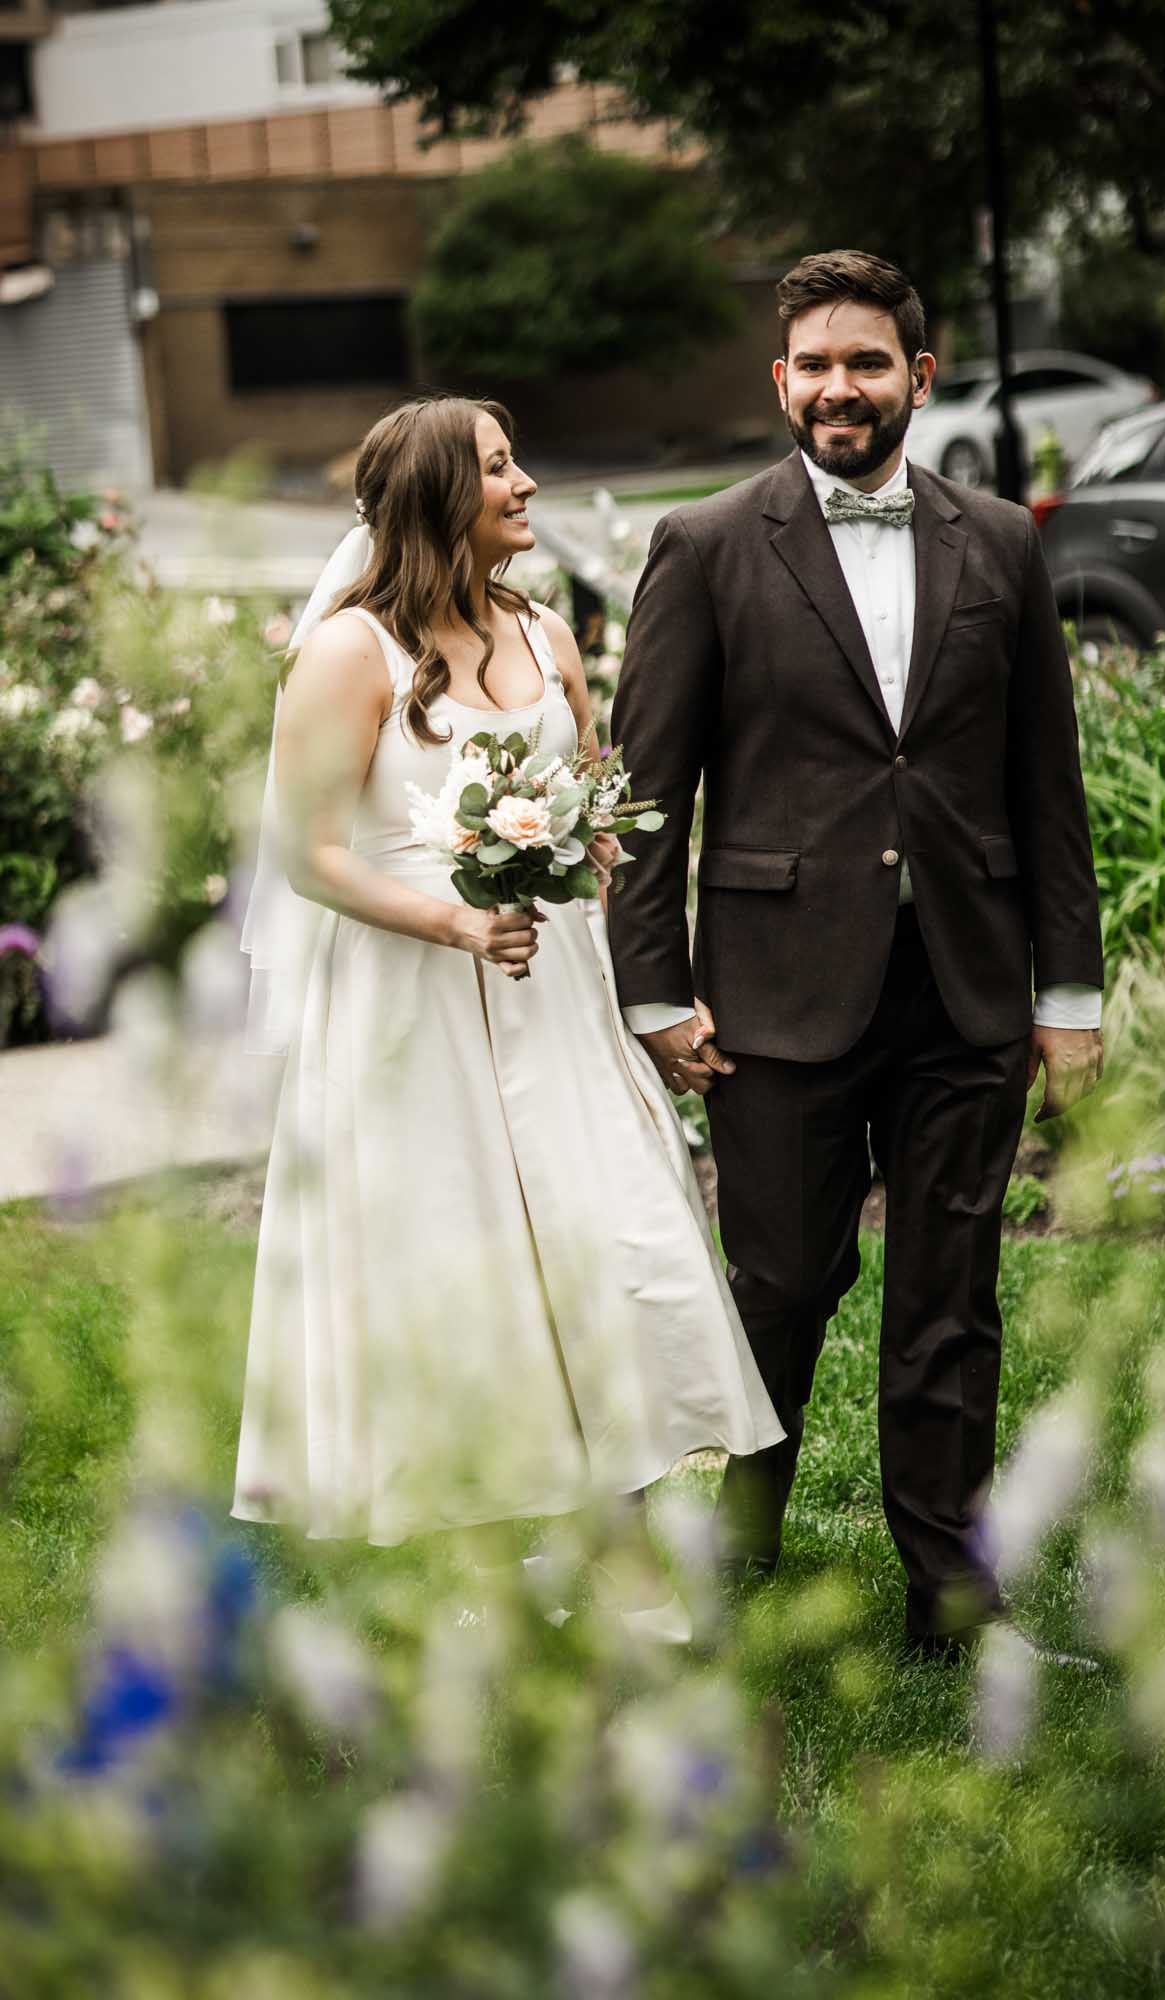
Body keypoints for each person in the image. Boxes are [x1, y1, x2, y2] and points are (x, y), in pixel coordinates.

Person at [609, 251, 1104, 1658]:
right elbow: (651, 793)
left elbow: (1044, 787)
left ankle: (953, 1603)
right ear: (780, 383)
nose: (840, 387)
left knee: (948, 1304)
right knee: (775, 1286)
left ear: (918, 379)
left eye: (866, 363)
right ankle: (738, 1552)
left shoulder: (1000, 542)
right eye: (814, 364)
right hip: (770, 992)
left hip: (966, 986)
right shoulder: (705, 546)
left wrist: (1066, 995)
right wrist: (651, 987)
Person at [232, 395, 782, 1635]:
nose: (526, 483)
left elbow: (595, 806)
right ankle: (492, 1560)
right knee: (462, 1269)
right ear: (439, 496)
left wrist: (594, 888)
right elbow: (309, 852)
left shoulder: (545, 632)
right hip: (411, 1009)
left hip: (555, 996)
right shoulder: (348, 655)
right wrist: (458, 920)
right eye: (498, 466)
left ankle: (627, 1554)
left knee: (617, 1239)